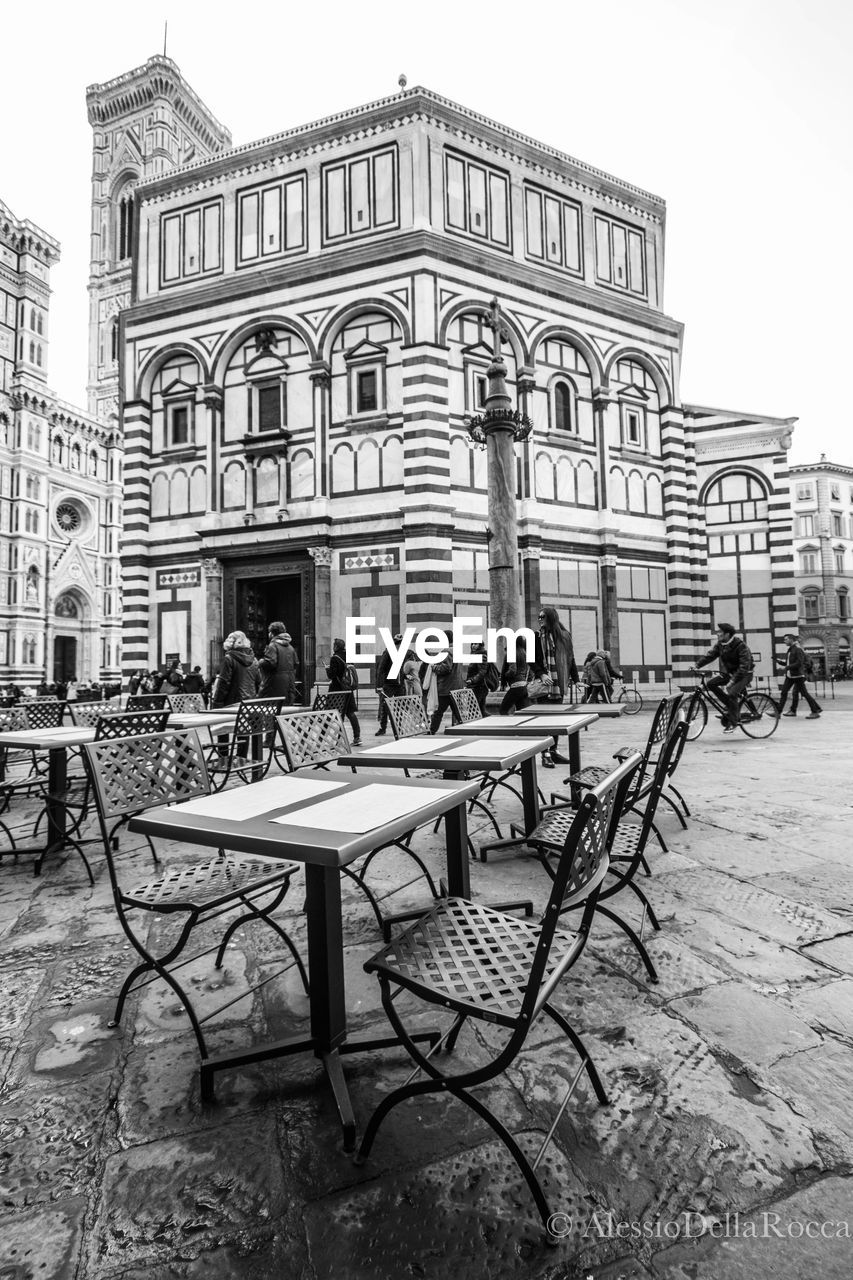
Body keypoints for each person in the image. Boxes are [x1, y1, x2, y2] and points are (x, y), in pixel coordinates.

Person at [210, 631, 261, 768]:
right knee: (243, 731)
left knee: (222, 729)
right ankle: (241, 759)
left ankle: (224, 759)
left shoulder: (229, 658)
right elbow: (258, 682)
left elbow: (224, 682)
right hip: (248, 702)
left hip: (231, 703)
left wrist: (217, 703)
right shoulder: (254, 660)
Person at [692, 621, 754, 732]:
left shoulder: (740, 645)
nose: (717, 634)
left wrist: (733, 681)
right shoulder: (720, 645)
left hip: (744, 674)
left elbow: (744, 666)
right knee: (711, 683)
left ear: (727, 634)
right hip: (731, 674)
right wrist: (697, 665)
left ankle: (733, 723)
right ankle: (730, 707)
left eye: (720, 632)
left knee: (732, 692)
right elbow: (710, 656)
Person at [777, 633, 821, 719]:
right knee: (784, 692)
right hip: (790, 676)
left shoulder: (797, 649)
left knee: (804, 694)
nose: (784, 641)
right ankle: (778, 712)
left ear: (791, 640)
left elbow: (799, 663)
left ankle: (815, 711)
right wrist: (781, 662)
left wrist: (786, 667)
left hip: (798, 676)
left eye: (786, 639)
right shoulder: (790, 650)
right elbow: (790, 662)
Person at [328, 637, 361, 745]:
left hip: (337, 690)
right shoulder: (348, 656)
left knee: (331, 714)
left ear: (336, 646)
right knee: (350, 713)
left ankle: (333, 738)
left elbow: (332, 675)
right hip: (348, 689)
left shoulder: (335, 658)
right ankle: (357, 737)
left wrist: (328, 670)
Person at [258, 621, 299, 702]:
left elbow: (270, 663)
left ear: (272, 633)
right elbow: (296, 663)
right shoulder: (290, 647)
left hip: (274, 685)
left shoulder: (273, 645)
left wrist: (260, 661)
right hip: (289, 684)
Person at [428, 653, 465, 734]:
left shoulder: (447, 652)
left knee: (438, 711)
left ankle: (432, 730)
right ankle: (465, 728)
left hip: (446, 688)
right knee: (458, 711)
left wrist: (434, 667)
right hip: (456, 688)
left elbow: (446, 668)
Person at [375, 634, 404, 736]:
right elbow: (381, 669)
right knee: (385, 707)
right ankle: (383, 728)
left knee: (400, 707)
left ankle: (399, 728)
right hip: (389, 685)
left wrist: (405, 677)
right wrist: (379, 685)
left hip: (399, 685)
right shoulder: (388, 653)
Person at [465, 641, 498, 715]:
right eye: (472, 644)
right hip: (477, 686)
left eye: (476, 644)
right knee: (480, 711)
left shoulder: (481, 656)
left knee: (473, 711)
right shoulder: (475, 655)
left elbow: (482, 672)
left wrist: (472, 680)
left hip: (479, 687)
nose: (473, 646)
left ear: (480, 645)